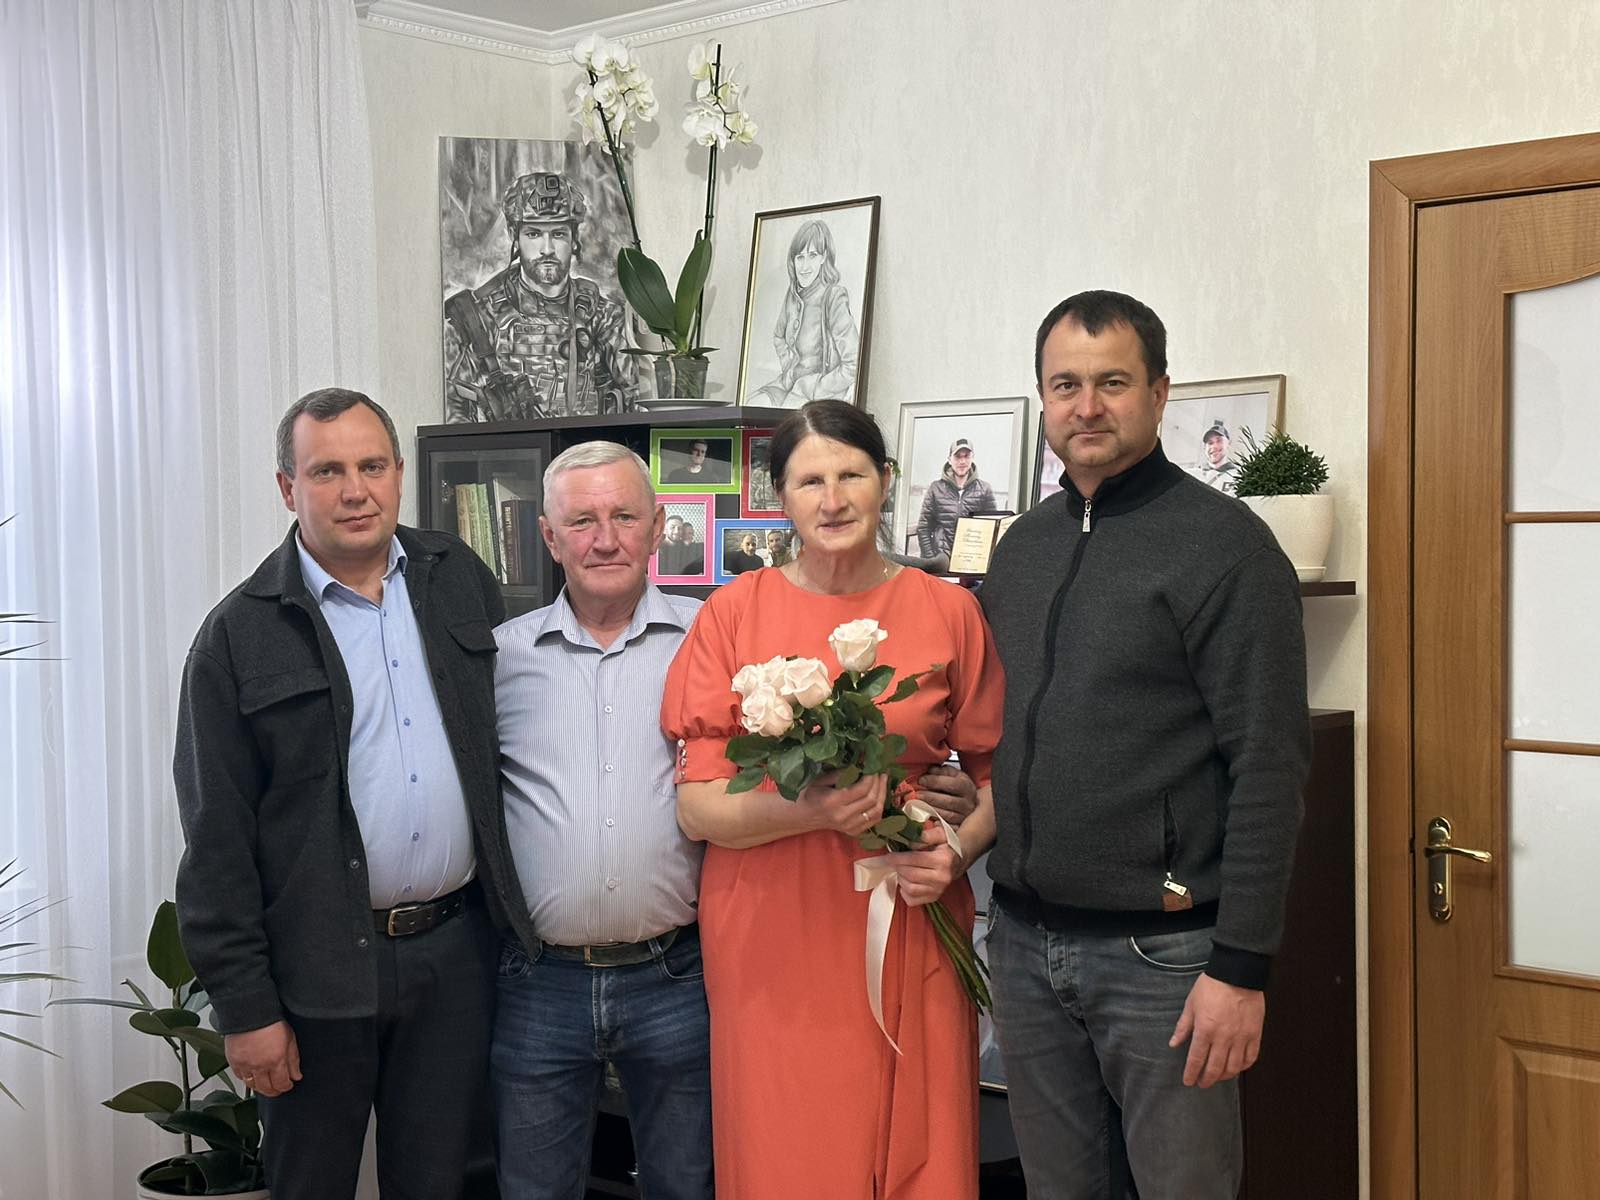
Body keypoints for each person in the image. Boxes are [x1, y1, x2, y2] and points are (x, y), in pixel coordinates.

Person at [979, 290, 1310, 1198]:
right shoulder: (1021, 549)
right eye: (1066, 385)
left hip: (1164, 961)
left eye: (1113, 383)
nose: (1087, 406)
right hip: (1024, 943)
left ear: (1160, 394)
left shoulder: (1227, 549)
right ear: (1043, 400)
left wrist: (1241, 967)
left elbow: (1270, 766)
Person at [173, 388, 535, 1200]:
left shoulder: (457, 577)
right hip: (315, 971)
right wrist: (246, 1010)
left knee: (444, 1183)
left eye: (372, 466)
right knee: (311, 1184)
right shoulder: (238, 636)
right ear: (287, 487)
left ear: (400, 473)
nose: (355, 490)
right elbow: (215, 838)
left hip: (456, 955)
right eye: (327, 471)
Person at [661, 398, 1006, 1199]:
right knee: (791, 1148)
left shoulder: (949, 610)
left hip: (912, 908)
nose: (834, 499)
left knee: (921, 1145)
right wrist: (813, 811)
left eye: (851, 475)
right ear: (779, 496)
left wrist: (956, 853)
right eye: (810, 481)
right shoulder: (733, 613)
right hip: (771, 930)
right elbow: (697, 808)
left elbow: (1001, 778)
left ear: (885, 481)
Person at [491, 442, 713, 1200]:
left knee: (687, 1186)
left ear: (658, 527)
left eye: (624, 516)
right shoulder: (501, 659)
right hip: (538, 982)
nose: (605, 538)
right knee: (534, 1190)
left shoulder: (712, 640)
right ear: (550, 538)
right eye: (582, 521)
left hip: (678, 975)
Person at [445, 171, 634, 421]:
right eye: (534, 234)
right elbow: (454, 415)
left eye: (558, 234)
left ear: (574, 238)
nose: (547, 249)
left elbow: (638, 401)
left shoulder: (603, 316)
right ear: (514, 236)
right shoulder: (476, 318)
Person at [752, 220, 860, 407]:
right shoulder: (793, 294)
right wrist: (788, 368)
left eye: (812, 255)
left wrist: (817, 387)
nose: (804, 266)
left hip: (816, 394)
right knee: (752, 404)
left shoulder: (833, 296)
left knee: (783, 420)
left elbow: (853, 364)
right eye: (800, 257)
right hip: (788, 384)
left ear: (823, 257)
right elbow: (778, 337)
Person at [914, 436, 998, 558]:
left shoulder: (985, 490)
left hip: (971, 560)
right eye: (957, 456)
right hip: (941, 559)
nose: (962, 461)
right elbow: (923, 528)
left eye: (966, 456)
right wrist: (931, 559)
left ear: (972, 458)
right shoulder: (935, 488)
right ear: (949, 460)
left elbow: (992, 529)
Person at [1190, 420, 1241, 494]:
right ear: (1204, 447)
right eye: (1210, 443)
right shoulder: (1192, 475)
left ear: (1229, 443)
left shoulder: (1238, 476)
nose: (1214, 446)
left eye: (1219, 441)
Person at [665, 438, 729, 485]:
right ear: (689, 451)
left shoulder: (711, 478)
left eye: (702, 452)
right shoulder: (675, 475)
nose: (699, 454)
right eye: (696, 450)